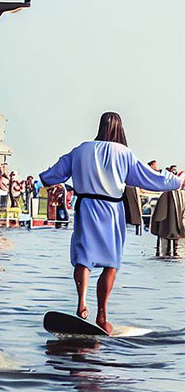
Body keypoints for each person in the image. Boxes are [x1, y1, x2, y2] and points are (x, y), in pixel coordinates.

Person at [40, 111, 184, 332]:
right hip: (111, 209)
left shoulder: (81, 150)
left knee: (83, 257)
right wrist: (177, 180)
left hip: (86, 207)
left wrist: (49, 178)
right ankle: (102, 315)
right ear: (120, 129)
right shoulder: (123, 153)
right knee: (111, 263)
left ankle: (81, 302)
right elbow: (150, 177)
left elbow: (52, 175)